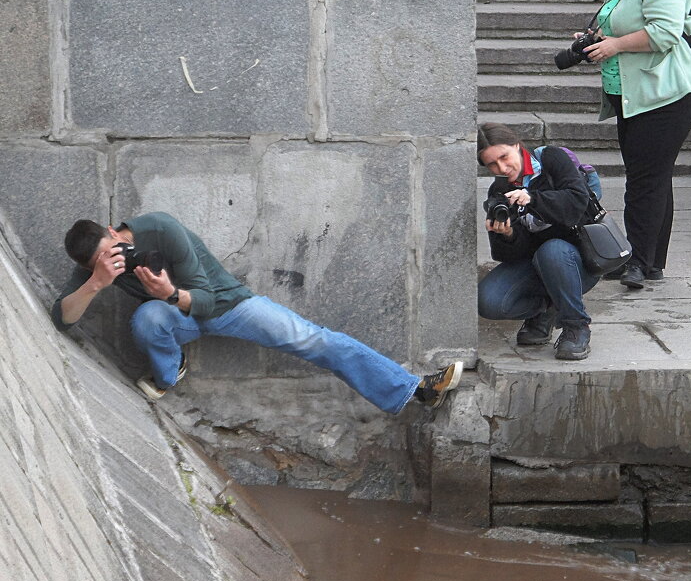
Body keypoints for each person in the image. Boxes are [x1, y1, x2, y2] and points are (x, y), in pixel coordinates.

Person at [51, 212, 462, 410]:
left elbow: (208, 300)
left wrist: (171, 292)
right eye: (98, 262)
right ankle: (168, 372)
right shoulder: (96, 271)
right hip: (174, 317)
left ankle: (414, 389)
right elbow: (62, 319)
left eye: (110, 251)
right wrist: (96, 283)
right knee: (147, 319)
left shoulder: (159, 228)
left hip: (230, 304)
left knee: (313, 339)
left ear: (111, 230)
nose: (112, 261)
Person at [580, 0, 691, 289]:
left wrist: (616, 44)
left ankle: (636, 261)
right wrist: (598, 41)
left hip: (666, 94)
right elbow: (620, 22)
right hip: (637, 94)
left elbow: (666, 33)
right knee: (653, 177)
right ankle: (651, 262)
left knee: (644, 180)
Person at [476, 122, 598, 360]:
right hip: (537, 267)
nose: (501, 167)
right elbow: (509, 257)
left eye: (504, 156)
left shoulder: (551, 159)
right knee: (489, 301)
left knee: (551, 250)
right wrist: (507, 235)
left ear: (516, 145)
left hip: (579, 261)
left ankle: (576, 325)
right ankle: (546, 309)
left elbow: (576, 205)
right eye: (492, 164)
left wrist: (532, 199)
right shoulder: (498, 191)